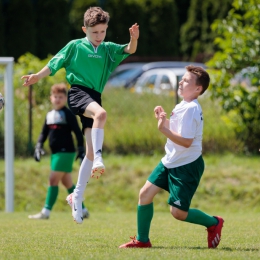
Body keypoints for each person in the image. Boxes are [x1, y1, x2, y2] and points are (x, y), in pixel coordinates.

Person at [21, 6, 139, 224]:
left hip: (94, 96)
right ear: (85, 29)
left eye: (103, 32)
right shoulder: (75, 46)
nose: (99, 36)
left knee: (89, 152)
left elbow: (129, 50)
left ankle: (76, 196)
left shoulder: (108, 49)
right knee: (101, 115)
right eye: (95, 32)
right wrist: (37, 76)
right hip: (78, 93)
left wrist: (134, 39)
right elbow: (54, 63)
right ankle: (100, 159)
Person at [119, 65, 224, 249]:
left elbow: (187, 142)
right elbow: (177, 131)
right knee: (144, 194)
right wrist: (162, 120)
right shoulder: (182, 105)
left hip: (187, 164)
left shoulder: (192, 108)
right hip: (170, 160)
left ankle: (213, 223)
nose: (181, 82)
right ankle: (143, 240)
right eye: (182, 79)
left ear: (198, 89)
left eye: (186, 81)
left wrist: (163, 129)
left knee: (178, 213)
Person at [28, 83, 89, 220]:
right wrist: (38, 146)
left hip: (66, 152)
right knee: (67, 183)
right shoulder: (49, 115)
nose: (57, 99)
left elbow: (78, 133)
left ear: (65, 98)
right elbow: (43, 133)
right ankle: (83, 209)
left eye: (61, 97)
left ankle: (46, 212)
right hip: (55, 154)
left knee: (53, 179)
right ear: (51, 98)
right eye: (55, 96)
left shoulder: (68, 114)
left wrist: (81, 149)